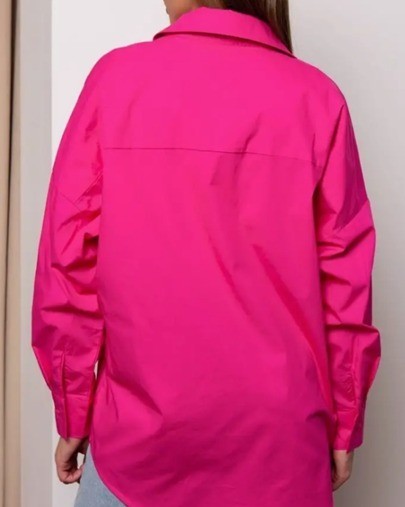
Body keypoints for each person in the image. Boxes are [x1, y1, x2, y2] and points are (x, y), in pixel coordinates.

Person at [31, 1, 382, 506]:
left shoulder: (115, 82)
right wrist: (345, 423)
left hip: (137, 451)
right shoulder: (317, 97)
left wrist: (73, 409)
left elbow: (67, 265)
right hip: (280, 451)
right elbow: (346, 285)